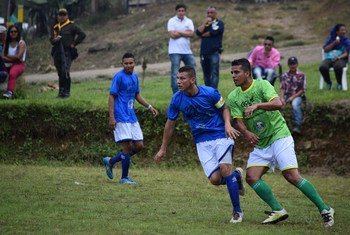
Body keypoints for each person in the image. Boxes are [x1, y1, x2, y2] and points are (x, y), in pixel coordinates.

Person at [228, 58, 335, 227]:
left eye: (237, 72)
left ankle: (325, 209)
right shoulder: (233, 96)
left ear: (247, 73)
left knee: (291, 176)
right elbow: (238, 119)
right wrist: (246, 132)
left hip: (279, 136)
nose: (233, 76)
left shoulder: (262, 85)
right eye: (232, 73)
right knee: (251, 177)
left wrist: (257, 106)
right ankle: (278, 210)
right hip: (262, 143)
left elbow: (279, 103)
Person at [154, 65, 244, 223]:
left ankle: (237, 212)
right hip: (201, 141)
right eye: (177, 78)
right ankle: (236, 177)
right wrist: (163, 148)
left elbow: (224, 109)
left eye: (182, 78)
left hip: (220, 135)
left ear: (192, 79)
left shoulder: (210, 92)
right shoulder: (177, 99)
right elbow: (170, 124)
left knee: (224, 169)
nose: (178, 82)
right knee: (215, 180)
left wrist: (228, 125)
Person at [103, 52, 159, 185]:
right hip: (120, 116)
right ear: (122, 64)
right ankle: (124, 178)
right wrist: (111, 117)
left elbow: (137, 94)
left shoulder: (135, 76)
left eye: (131, 63)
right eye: (126, 63)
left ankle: (111, 161)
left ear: (135, 63)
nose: (129, 65)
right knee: (127, 146)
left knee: (139, 146)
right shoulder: (119, 77)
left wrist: (149, 106)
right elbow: (111, 96)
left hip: (131, 116)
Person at [50, 8, 86, 98]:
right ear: (58, 16)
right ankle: (61, 92)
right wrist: (54, 40)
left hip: (67, 52)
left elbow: (82, 34)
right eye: (60, 15)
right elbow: (51, 40)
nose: (62, 17)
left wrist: (74, 44)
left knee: (65, 71)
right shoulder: (56, 27)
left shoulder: (71, 26)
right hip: (57, 52)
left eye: (64, 15)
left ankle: (66, 92)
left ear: (67, 16)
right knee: (60, 72)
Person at [167, 3, 196, 94]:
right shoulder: (171, 21)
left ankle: (193, 91)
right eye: (179, 10)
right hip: (174, 51)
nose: (181, 12)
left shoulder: (189, 21)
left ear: (185, 11)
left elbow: (191, 34)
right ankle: (176, 94)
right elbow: (172, 35)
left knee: (192, 71)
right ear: (176, 11)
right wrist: (185, 32)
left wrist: (178, 31)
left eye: (183, 10)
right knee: (175, 73)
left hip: (187, 51)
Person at [196, 6, 224, 89]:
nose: (209, 14)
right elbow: (198, 32)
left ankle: (214, 92)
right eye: (208, 13)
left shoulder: (219, 23)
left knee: (214, 73)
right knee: (206, 74)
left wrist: (205, 34)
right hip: (204, 52)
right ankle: (208, 92)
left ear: (216, 13)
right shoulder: (205, 24)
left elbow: (215, 32)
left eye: (211, 12)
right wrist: (204, 23)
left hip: (214, 52)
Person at [319, 23, 350, 90]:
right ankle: (329, 83)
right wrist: (334, 43)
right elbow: (325, 50)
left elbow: (346, 53)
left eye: (344, 30)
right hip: (329, 58)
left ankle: (339, 83)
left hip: (341, 59)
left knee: (338, 66)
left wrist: (338, 57)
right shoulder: (331, 39)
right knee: (322, 67)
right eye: (342, 30)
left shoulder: (346, 40)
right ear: (337, 31)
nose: (344, 31)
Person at [280, 57, 306, 135]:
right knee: (277, 104)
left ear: (297, 64)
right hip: (286, 95)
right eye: (291, 64)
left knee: (295, 105)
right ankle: (279, 126)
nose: (292, 66)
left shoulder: (301, 74)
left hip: (297, 95)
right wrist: (281, 98)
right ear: (288, 65)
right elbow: (282, 88)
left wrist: (292, 97)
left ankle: (297, 126)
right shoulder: (284, 75)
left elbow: (302, 90)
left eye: (294, 64)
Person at [1, 25, 26, 99]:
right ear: (9, 33)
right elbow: (2, 57)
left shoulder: (21, 43)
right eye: (11, 32)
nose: (13, 33)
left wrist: (7, 56)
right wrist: (12, 59)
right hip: (7, 63)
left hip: (19, 65)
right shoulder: (7, 43)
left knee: (12, 73)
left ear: (18, 33)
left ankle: (9, 92)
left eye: (15, 31)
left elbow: (19, 57)